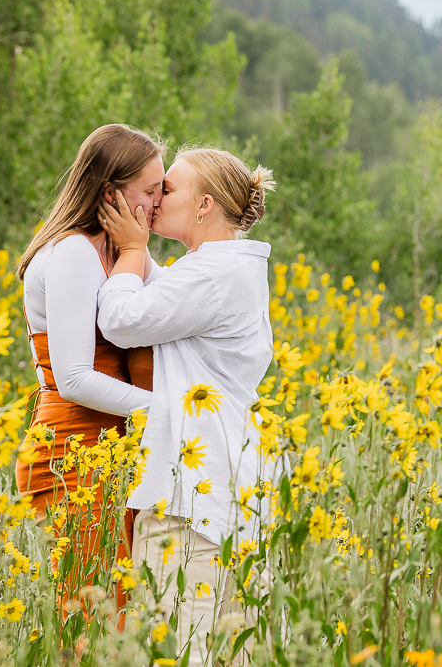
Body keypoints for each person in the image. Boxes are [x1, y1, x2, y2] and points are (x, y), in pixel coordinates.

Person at [97, 147, 275, 665]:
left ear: (205, 206)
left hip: (193, 502)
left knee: (181, 647)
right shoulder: (212, 269)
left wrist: (131, 251)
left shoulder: (214, 276)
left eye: (167, 190)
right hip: (218, 486)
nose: (153, 201)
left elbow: (123, 320)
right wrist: (141, 252)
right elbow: (164, 290)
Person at [15, 123, 165, 600]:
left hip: (110, 450)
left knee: (114, 611)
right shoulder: (75, 252)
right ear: (111, 193)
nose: (159, 200)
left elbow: (172, 304)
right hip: (70, 448)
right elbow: (76, 378)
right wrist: (162, 411)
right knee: (89, 613)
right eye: (151, 189)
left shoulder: (119, 250)